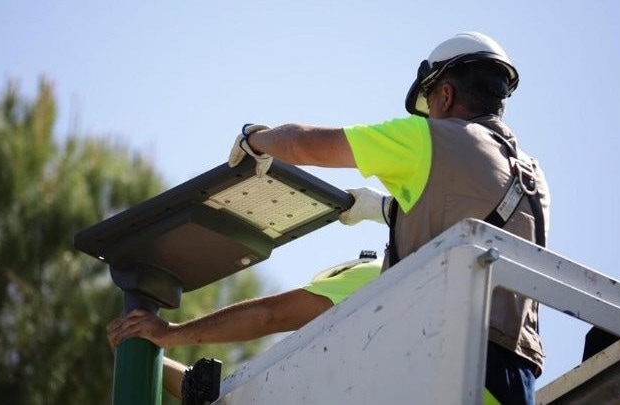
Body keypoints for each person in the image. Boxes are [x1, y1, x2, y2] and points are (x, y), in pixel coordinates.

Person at [227, 31, 550, 405]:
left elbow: (305, 143)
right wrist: (381, 208)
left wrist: (256, 139)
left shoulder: (429, 138)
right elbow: (462, 219)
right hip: (511, 381)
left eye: (430, 103)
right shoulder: (531, 175)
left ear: (444, 95)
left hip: (444, 366)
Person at [107, 253, 381, 401]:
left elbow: (270, 315)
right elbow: (217, 398)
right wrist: (144, 356)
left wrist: (170, 334)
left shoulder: (371, 275)